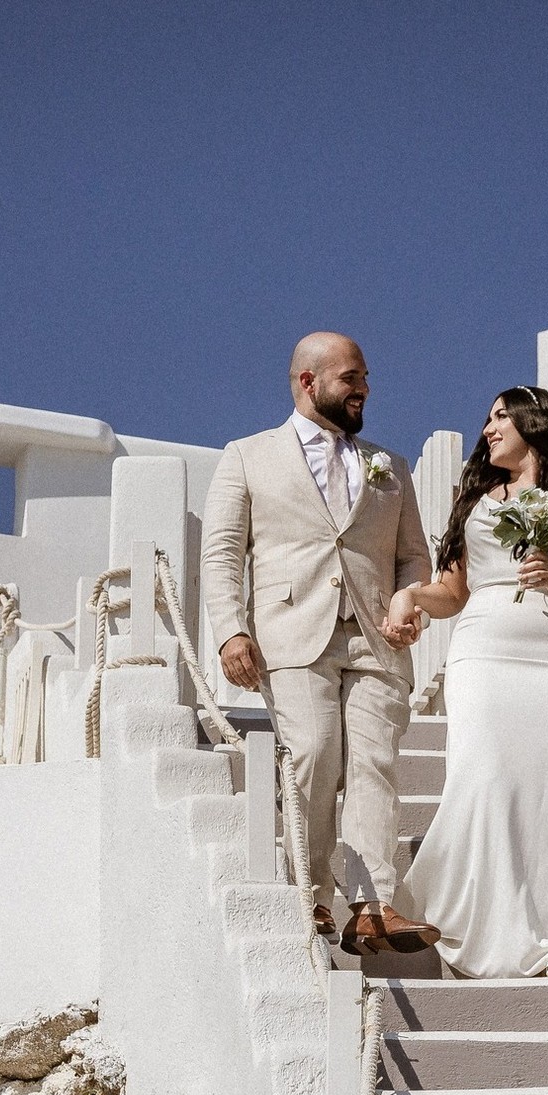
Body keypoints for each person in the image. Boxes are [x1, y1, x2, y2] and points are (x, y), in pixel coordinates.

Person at [201, 331, 440, 956]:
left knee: (375, 765)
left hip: (376, 639)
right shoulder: (248, 456)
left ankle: (371, 906)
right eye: (351, 377)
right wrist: (231, 629)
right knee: (312, 756)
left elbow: (414, 556)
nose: (364, 389)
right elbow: (224, 552)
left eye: (364, 378)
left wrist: (408, 602)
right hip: (291, 632)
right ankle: (311, 895)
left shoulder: (392, 467)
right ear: (308, 381)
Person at [385, 385, 548, 978]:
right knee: (484, 775)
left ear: (532, 420)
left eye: (499, 416)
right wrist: (411, 595)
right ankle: (469, 920)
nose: (488, 427)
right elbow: (453, 592)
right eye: (488, 419)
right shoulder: (475, 500)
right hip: (484, 652)